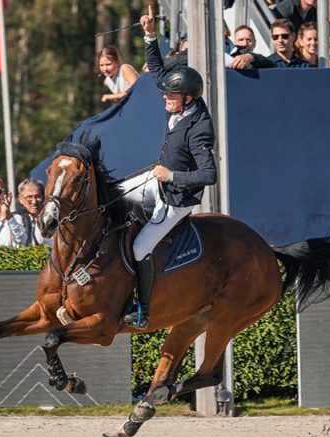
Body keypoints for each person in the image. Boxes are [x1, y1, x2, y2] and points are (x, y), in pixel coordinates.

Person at [120, 6, 217, 328]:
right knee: (115, 195)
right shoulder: (180, 102)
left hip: (177, 200)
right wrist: (149, 35)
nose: (164, 98)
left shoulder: (200, 128)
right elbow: (159, 74)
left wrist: (171, 175)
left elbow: (209, 175)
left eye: (170, 96)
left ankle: (141, 308)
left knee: (139, 247)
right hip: (158, 181)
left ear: (187, 98)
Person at [16, 178, 51, 246]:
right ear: (20, 199)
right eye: (29, 197)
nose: (34, 202)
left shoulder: (53, 219)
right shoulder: (15, 220)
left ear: (44, 197)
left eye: (38, 196)